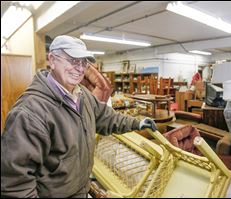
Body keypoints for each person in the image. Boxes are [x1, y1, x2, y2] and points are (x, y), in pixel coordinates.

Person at [1, 35, 157, 198]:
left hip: (81, 190)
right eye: (72, 60)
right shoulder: (30, 113)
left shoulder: (82, 95)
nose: (80, 68)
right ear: (52, 60)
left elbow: (106, 117)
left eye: (83, 62)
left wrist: (138, 123)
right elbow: (16, 185)